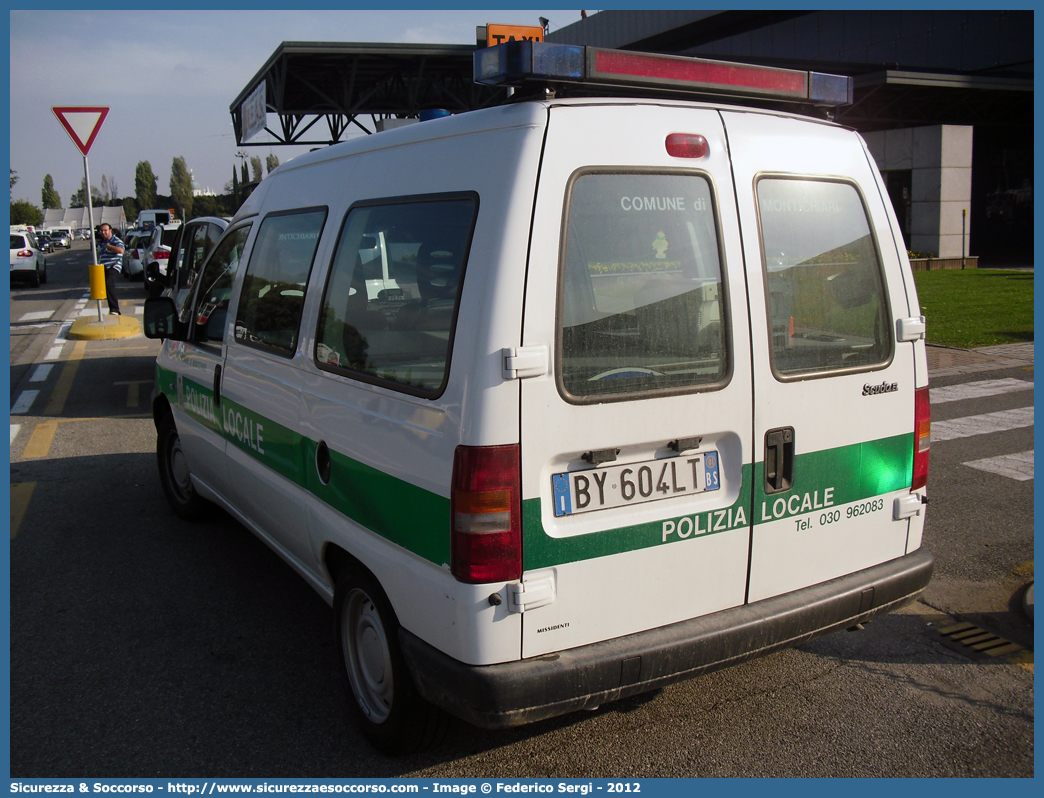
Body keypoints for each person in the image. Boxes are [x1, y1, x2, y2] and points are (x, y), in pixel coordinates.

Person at [96, 223, 125, 315]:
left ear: (110, 230)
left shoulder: (115, 240)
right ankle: (111, 308)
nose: (103, 232)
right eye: (102, 231)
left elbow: (121, 250)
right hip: (103, 267)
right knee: (102, 287)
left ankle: (115, 309)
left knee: (109, 283)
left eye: (105, 230)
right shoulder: (103, 242)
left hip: (113, 266)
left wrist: (109, 247)